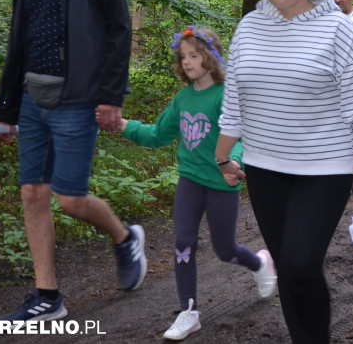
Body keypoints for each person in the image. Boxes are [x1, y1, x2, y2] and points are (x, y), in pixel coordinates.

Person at [215, 0, 353, 344]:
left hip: (324, 168)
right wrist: (224, 154)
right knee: (287, 264)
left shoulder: (339, 30)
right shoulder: (248, 28)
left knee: (299, 264)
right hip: (263, 167)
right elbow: (236, 98)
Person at [0, 0, 146, 322]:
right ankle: (48, 295)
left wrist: (111, 96)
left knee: (71, 199)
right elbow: (17, 43)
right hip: (30, 98)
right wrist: (7, 110)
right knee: (32, 191)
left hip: (78, 98)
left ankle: (124, 237)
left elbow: (118, 28)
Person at [101, 27, 277, 340]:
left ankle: (260, 263)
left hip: (222, 184)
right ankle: (189, 312)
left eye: (194, 55)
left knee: (225, 250)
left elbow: (239, 135)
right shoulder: (183, 99)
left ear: (211, 57)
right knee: (184, 242)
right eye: (183, 57)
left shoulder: (225, 96)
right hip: (190, 182)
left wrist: (234, 163)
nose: (187, 62)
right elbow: (157, 134)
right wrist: (125, 125)